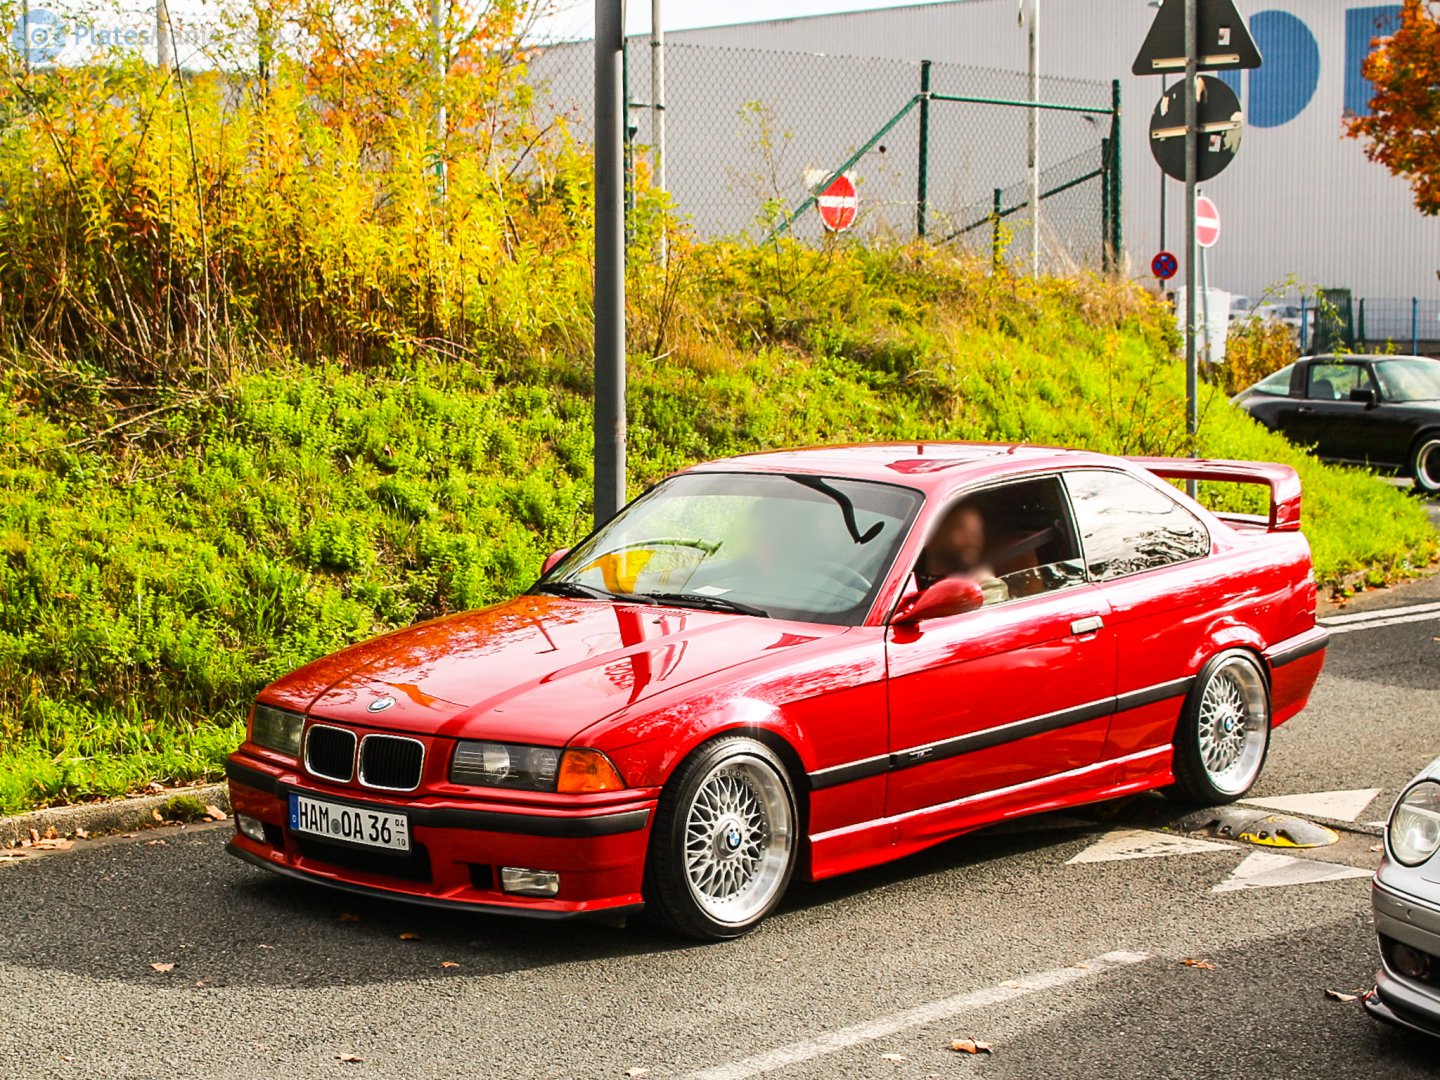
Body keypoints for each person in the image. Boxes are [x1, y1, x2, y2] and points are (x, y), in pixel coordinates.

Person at [915, 501, 1009, 604]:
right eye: (962, 529)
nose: (972, 540)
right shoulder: (904, 570)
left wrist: (985, 586)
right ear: (934, 533)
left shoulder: (984, 586)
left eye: (977, 531)